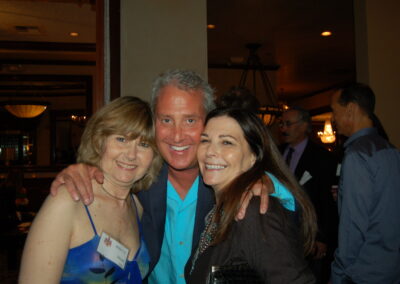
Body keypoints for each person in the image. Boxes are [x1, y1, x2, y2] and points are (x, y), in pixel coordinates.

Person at [49, 70, 270, 284]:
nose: (177, 135)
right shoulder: (137, 182)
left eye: (190, 121)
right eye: (166, 120)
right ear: (153, 122)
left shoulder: (230, 182)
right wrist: (82, 169)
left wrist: (264, 182)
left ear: (209, 123)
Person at [19, 96, 162, 283]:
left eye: (144, 145)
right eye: (121, 139)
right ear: (99, 141)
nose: (131, 154)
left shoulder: (137, 206)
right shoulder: (67, 202)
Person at [186, 107, 317, 283]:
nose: (210, 151)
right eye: (205, 140)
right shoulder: (218, 210)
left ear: (253, 157)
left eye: (227, 142)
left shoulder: (255, 212)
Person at [330, 83, 400, 283]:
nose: (333, 119)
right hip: (392, 268)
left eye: (334, 111)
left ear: (350, 109)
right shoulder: (391, 150)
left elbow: (353, 229)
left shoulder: (357, 155)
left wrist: (338, 274)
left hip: (364, 272)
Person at [279, 107, 338, 283]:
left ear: (304, 126)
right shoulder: (278, 152)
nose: (283, 129)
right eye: (281, 124)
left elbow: (325, 202)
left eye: (288, 124)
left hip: (309, 235)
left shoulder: (321, 157)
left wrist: (321, 237)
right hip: (281, 233)